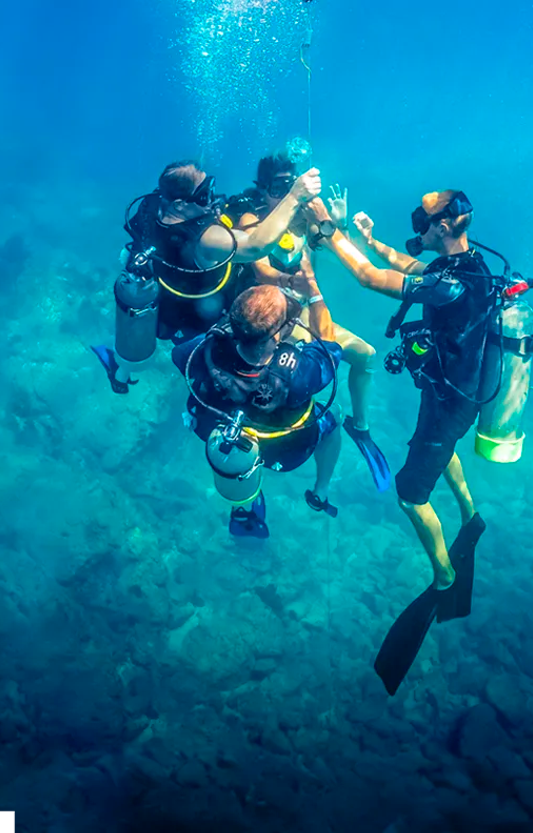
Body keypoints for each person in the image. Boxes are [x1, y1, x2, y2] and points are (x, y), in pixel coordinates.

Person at [305, 188, 494, 691]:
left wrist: (328, 231)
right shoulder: (468, 265)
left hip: (450, 403)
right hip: (456, 393)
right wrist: (368, 238)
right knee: (438, 448)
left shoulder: (449, 286)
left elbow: (372, 278)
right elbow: (403, 262)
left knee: (411, 495)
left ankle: (444, 577)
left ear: (446, 226)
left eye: (423, 217)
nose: (417, 223)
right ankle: (471, 515)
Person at [225, 147, 390, 492]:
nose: (283, 197)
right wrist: (291, 282)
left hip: (304, 314)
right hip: (270, 325)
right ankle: (249, 478)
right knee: (277, 406)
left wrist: (337, 223)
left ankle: (359, 427)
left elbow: (334, 249)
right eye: (275, 189)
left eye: (288, 188)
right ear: (261, 190)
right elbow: (260, 267)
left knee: (367, 355)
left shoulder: (304, 217)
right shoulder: (252, 221)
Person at [92, 159, 322, 393]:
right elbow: (256, 246)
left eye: (209, 188)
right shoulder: (205, 239)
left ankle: (121, 374)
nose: (212, 199)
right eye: (204, 196)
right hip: (204, 314)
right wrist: (294, 196)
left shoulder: (152, 207)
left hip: (168, 307)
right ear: (180, 205)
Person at [171, 262, 342, 539]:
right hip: (283, 450)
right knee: (336, 416)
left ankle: (244, 503)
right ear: (276, 335)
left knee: (239, 459)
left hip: (217, 431)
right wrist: (314, 293)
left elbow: (180, 356)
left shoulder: (210, 345)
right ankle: (320, 490)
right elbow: (331, 345)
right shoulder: (297, 374)